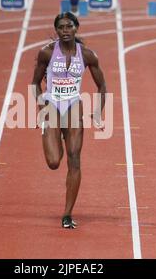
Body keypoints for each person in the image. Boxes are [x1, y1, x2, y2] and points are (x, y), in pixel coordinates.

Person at [32, 12, 107, 228]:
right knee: (54, 162)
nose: (65, 31)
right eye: (61, 27)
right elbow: (35, 82)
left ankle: (67, 213)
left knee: (74, 159)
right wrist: (41, 107)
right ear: (56, 30)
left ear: (76, 28)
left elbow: (102, 86)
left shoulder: (87, 55)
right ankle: (55, 137)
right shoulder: (46, 53)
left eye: (69, 27)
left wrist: (98, 112)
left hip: (74, 105)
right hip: (52, 105)